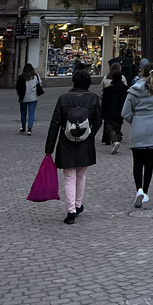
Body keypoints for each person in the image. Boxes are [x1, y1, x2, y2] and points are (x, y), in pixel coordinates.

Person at [44, 68, 102, 224]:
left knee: (69, 177)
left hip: (66, 142)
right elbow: (98, 121)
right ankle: (78, 204)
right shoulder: (93, 98)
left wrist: (49, 148)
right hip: (85, 143)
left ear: (74, 82)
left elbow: (55, 123)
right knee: (81, 175)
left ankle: (71, 211)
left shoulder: (64, 99)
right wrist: (89, 134)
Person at [122, 64, 153, 208]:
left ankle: (139, 190)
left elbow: (125, 113)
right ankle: (146, 192)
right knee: (149, 161)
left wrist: (135, 119)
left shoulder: (133, 90)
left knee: (137, 162)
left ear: (141, 73)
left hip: (138, 126)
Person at [100, 64, 130, 154]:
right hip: (121, 109)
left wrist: (102, 110)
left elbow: (103, 97)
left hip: (110, 109)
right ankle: (117, 138)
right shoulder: (125, 89)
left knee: (109, 125)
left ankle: (114, 140)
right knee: (118, 124)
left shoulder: (108, 89)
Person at [15, 62, 43, 135]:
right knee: (31, 113)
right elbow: (40, 84)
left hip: (23, 98)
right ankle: (30, 128)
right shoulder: (36, 76)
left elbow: (18, 88)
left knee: (23, 113)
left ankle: (23, 127)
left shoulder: (21, 77)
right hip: (33, 98)